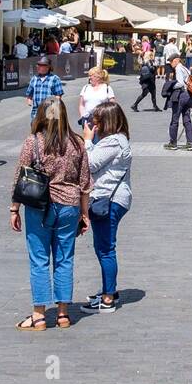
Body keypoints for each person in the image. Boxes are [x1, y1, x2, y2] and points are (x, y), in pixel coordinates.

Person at [10, 98, 90, 330]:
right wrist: (85, 214)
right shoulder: (77, 143)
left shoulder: (33, 142)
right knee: (65, 259)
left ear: (43, 115)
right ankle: (63, 314)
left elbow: (20, 178)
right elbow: (84, 182)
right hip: (69, 206)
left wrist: (14, 208)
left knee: (39, 260)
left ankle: (39, 316)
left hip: (39, 207)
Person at [82, 101, 132, 314]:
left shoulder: (112, 142)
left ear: (107, 122)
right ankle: (107, 289)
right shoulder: (119, 139)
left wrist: (86, 141)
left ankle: (108, 298)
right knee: (104, 247)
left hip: (107, 199)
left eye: (97, 121)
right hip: (113, 198)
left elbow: (89, 163)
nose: (94, 125)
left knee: (105, 248)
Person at [164, 51, 192, 151]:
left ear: (176, 60)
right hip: (188, 96)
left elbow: (180, 83)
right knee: (187, 119)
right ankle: (190, 143)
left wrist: (170, 85)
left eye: (171, 62)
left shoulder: (178, 68)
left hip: (180, 95)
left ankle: (173, 143)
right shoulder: (185, 68)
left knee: (175, 119)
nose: (171, 64)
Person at [78, 66, 116, 142]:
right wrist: (83, 116)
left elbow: (113, 106)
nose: (89, 78)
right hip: (87, 119)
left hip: (102, 119)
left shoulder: (107, 88)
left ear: (98, 77)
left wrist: (108, 119)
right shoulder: (85, 87)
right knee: (88, 141)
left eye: (91, 76)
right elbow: (81, 105)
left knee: (99, 141)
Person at [23, 55, 64, 126]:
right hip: (36, 112)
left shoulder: (54, 78)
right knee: (36, 133)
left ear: (48, 67)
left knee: (50, 134)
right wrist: (29, 99)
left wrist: (53, 108)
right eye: (38, 65)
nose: (38, 67)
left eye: (41, 65)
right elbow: (29, 93)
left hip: (50, 111)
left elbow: (58, 95)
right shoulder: (34, 78)